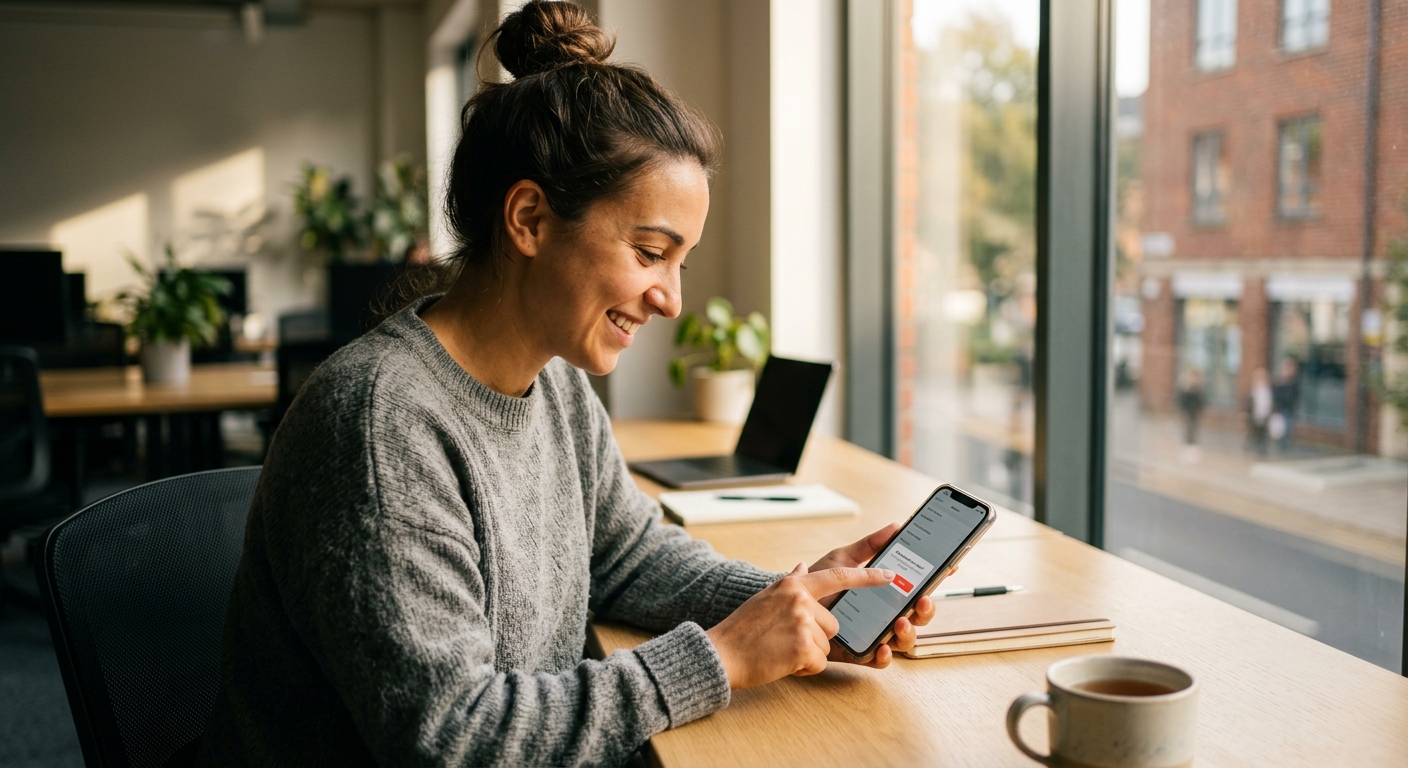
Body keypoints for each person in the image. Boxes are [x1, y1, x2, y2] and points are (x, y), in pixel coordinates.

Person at [196, 4, 933, 766]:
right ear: (529, 218)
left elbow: (628, 558)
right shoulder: (382, 425)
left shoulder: (554, 385)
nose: (672, 299)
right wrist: (718, 658)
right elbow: (451, 739)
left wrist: (800, 598)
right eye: (651, 252)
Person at [1271, 357, 1300, 453]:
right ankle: (1281, 445)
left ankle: (1284, 445)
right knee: (1281, 428)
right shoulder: (1279, 381)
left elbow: (1295, 396)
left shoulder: (1294, 382)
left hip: (1289, 409)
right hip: (1280, 408)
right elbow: (1276, 394)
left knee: (1288, 428)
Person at [1246, 368, 1272, 456]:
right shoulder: (1254, 391)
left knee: (1263, 434)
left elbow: (1268, 403)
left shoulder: (1267, 391)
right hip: (1255, 416)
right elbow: (1250, 404)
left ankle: (1261, 450)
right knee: (1254, 433)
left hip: (1264, 415)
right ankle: (1251, 448)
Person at [1177, 368, 1206, 446]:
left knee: (1193, 429)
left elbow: (1200, 402)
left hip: (1194, 412)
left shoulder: (1198, 390)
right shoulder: (1186, 389)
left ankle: (1191, 444)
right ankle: (1187, 444)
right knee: (1187, 428)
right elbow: (1182, 401)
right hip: (1187, 412)